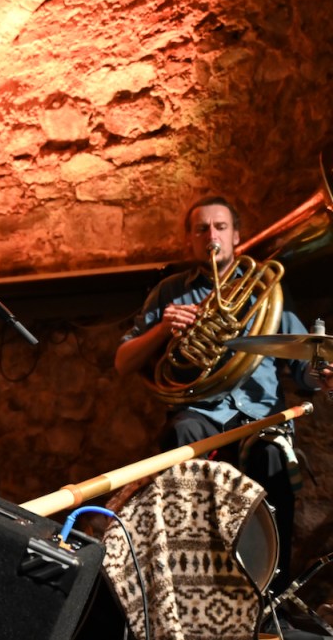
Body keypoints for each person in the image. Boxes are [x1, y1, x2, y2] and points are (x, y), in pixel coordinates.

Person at [115, 194, 328, 638]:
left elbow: (301, 367)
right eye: (201, 229)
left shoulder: (265, 287)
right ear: (190, 240)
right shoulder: (170, 292)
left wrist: (321, 371)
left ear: (236, 236)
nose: (210, 235)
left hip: (260, 416)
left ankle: (271, 600)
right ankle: (193, 594)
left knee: (273, 457)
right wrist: (163, 329)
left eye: (220, 227)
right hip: (200, 411)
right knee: (181, 437)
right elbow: (123, 361)